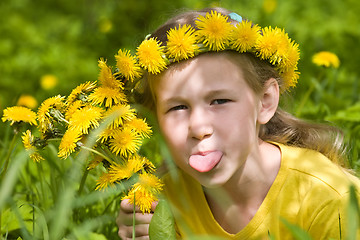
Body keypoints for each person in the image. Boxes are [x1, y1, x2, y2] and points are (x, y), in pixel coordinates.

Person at [116, 7, 360, 239]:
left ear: (265, 102)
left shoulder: (328, 200)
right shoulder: (165, 201)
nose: (199, 128)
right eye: (178, 107)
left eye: (219, 101)